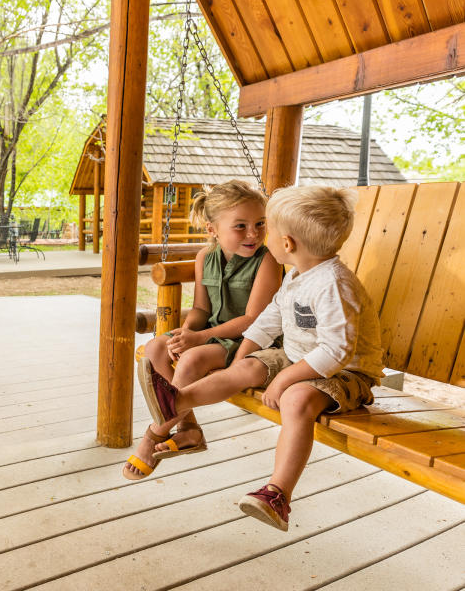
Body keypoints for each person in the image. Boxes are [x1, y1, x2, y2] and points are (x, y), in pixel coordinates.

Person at [140, 185, 383, 531]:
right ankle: (175, 402)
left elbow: (336, 351)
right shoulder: (300, 276)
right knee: (249, 367)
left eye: (266, 227)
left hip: (347, 373)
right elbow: (269, 318)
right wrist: (242, 357)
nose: (259, 235)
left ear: (287, 244)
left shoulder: (333, 284)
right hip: (298, 357)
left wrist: (285, 378)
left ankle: (278, 494)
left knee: (296, 397)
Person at [124, 180, 282, 480]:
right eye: (241, 226)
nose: (253, 233)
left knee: (192, 359)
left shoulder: (268, 260)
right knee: (157, 347)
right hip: (211, 332)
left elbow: (254, 320)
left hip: (250, 342)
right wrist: (184, 335)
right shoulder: (204, 258)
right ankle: (187, 427)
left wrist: (197, 340)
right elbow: (201, 310)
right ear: (213, 230)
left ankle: (153, 436)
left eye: (260, 223)